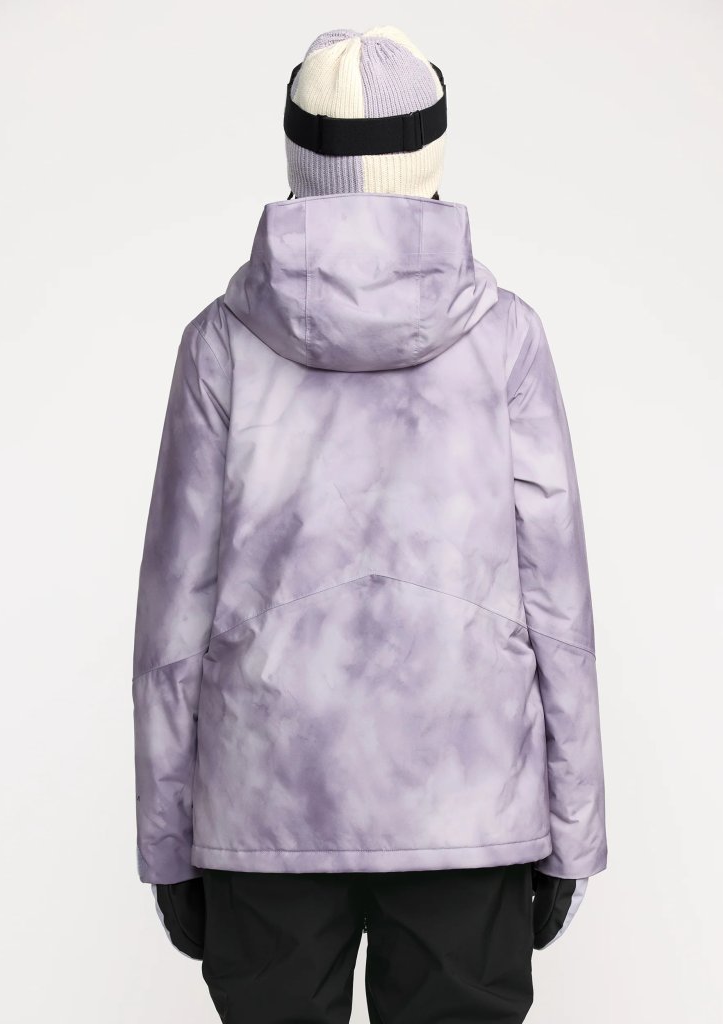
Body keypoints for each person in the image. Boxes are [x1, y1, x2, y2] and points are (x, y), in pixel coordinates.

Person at [132, 25, 607, 1024]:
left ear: (297, 155)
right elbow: (558, 608)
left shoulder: (220, 345)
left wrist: (169, 845)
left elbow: (173, 622)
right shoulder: (505, 341)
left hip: (266, 813)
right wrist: (571, 830)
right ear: (431, 152)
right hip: (465, 805)